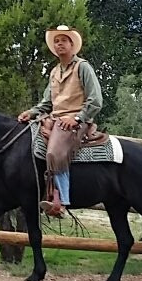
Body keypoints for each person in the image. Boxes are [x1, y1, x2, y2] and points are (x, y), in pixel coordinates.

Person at [17, 25, 103, 217]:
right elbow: (47, 103)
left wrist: (77, 117)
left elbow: (96, 100)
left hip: (75, 121)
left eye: (63, 40)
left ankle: (61, 202)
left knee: (54, 152)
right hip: (55, 119)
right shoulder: (54, 72)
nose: (59, 44)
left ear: (72, 45)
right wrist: (31, 113)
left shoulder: (83, 67)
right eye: (56, 41)